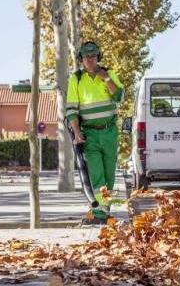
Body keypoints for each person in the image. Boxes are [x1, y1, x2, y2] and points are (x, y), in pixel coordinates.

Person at [66, 41, 124, 225]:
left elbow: (119, 97)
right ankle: (100, 213)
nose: (89, 60)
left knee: (109, 174)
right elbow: (72, 110)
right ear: (81, 59)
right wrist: (76, 133)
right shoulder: (76, 79)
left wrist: (106, 78)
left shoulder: (109, 73)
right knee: (96, 173)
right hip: (89, 134)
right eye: (85, 57)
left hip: (109, 132)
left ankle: (104, 208)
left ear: (98, 57)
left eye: (92, 56)